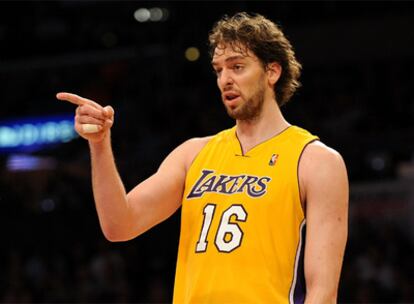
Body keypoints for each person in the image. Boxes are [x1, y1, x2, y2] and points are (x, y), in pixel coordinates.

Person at [57, 12, 348, 304]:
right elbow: (119, 226)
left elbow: (323, 293)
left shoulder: (315, 161)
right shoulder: (193, 153)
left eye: (237, 67)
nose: (225, 80)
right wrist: (99, 144)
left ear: (272, 72)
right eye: (219, 70)